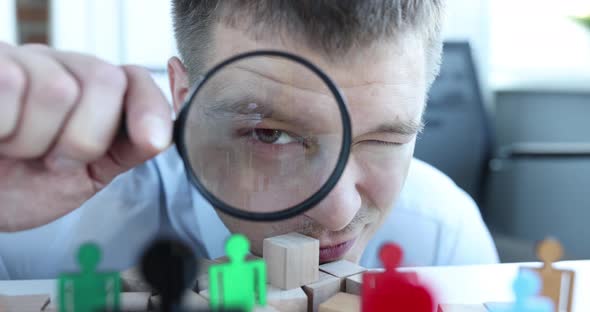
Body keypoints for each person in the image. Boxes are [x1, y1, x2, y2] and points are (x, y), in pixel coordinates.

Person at [0, 0, 498, 280]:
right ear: (182, 98)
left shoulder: (442, 237)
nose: (339, 213)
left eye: (385, 139)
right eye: (271, 134)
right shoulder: (36, 230)